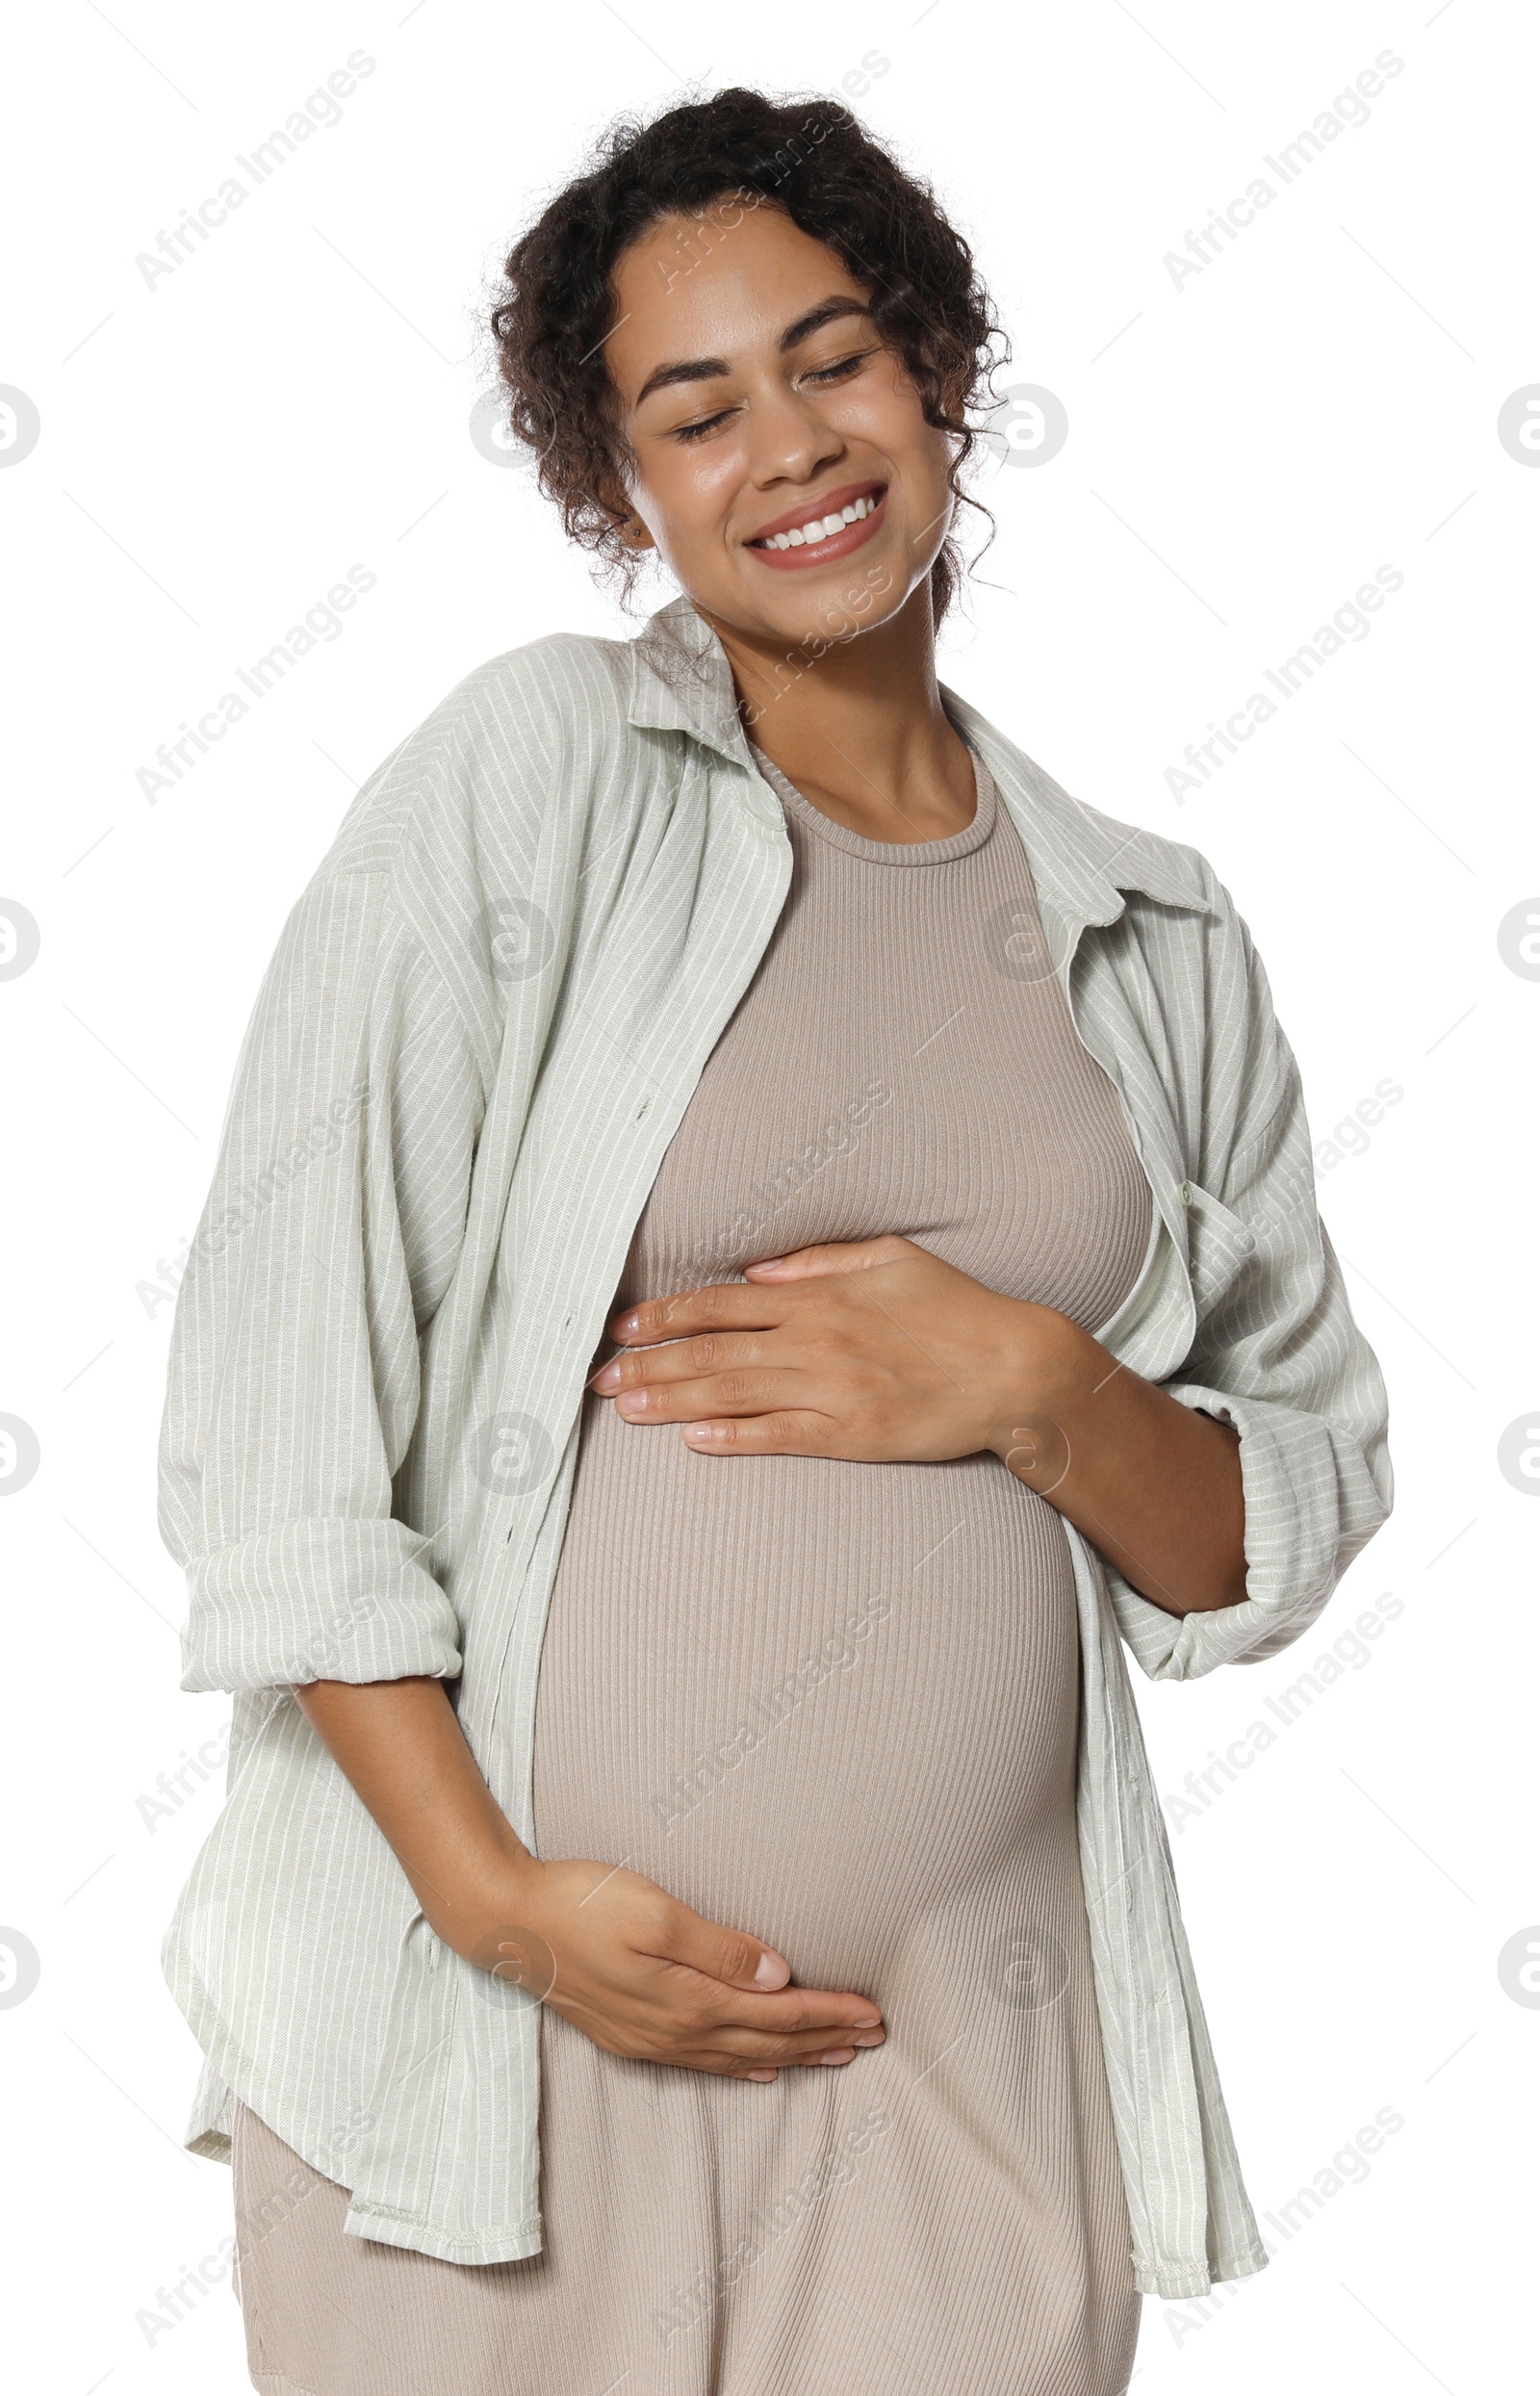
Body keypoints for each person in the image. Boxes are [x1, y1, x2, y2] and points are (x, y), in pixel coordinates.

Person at [158, 86, 1393, 2396]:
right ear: (615, 481)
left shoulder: (1152, 930)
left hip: (963, 2077)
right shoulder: (535, 775)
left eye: (831, 360)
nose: (788, 448)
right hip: (494, 2064)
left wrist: (1037, 1384)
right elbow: (272, 1394)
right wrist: (497, 1904)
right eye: (690, 409)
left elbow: (1269, 1534)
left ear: (934, 370)